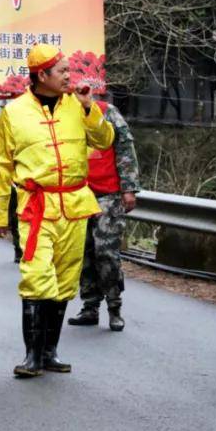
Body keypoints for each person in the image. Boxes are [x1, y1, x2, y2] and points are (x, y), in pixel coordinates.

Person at [0, 44, 114, 379]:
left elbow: (104, 140)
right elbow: (2, 165)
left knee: (66, 280)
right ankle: (32, 356)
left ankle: (51, 352)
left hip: (74, 204)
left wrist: (89, 109)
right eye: (62, 71)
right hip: (34, 207)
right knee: (37, 278)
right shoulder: (14, 112)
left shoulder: (79, 105)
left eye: (69, 70)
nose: (70, 76)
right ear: (42, 76)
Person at [69, 99, 140, 330]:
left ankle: (114, 306)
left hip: (107, 193)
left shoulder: (107, 111)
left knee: (105, 252)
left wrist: (128, 187)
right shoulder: (63, 112)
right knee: (83, 252)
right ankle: (90, 306)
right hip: (75, 193)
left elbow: (125, 147)